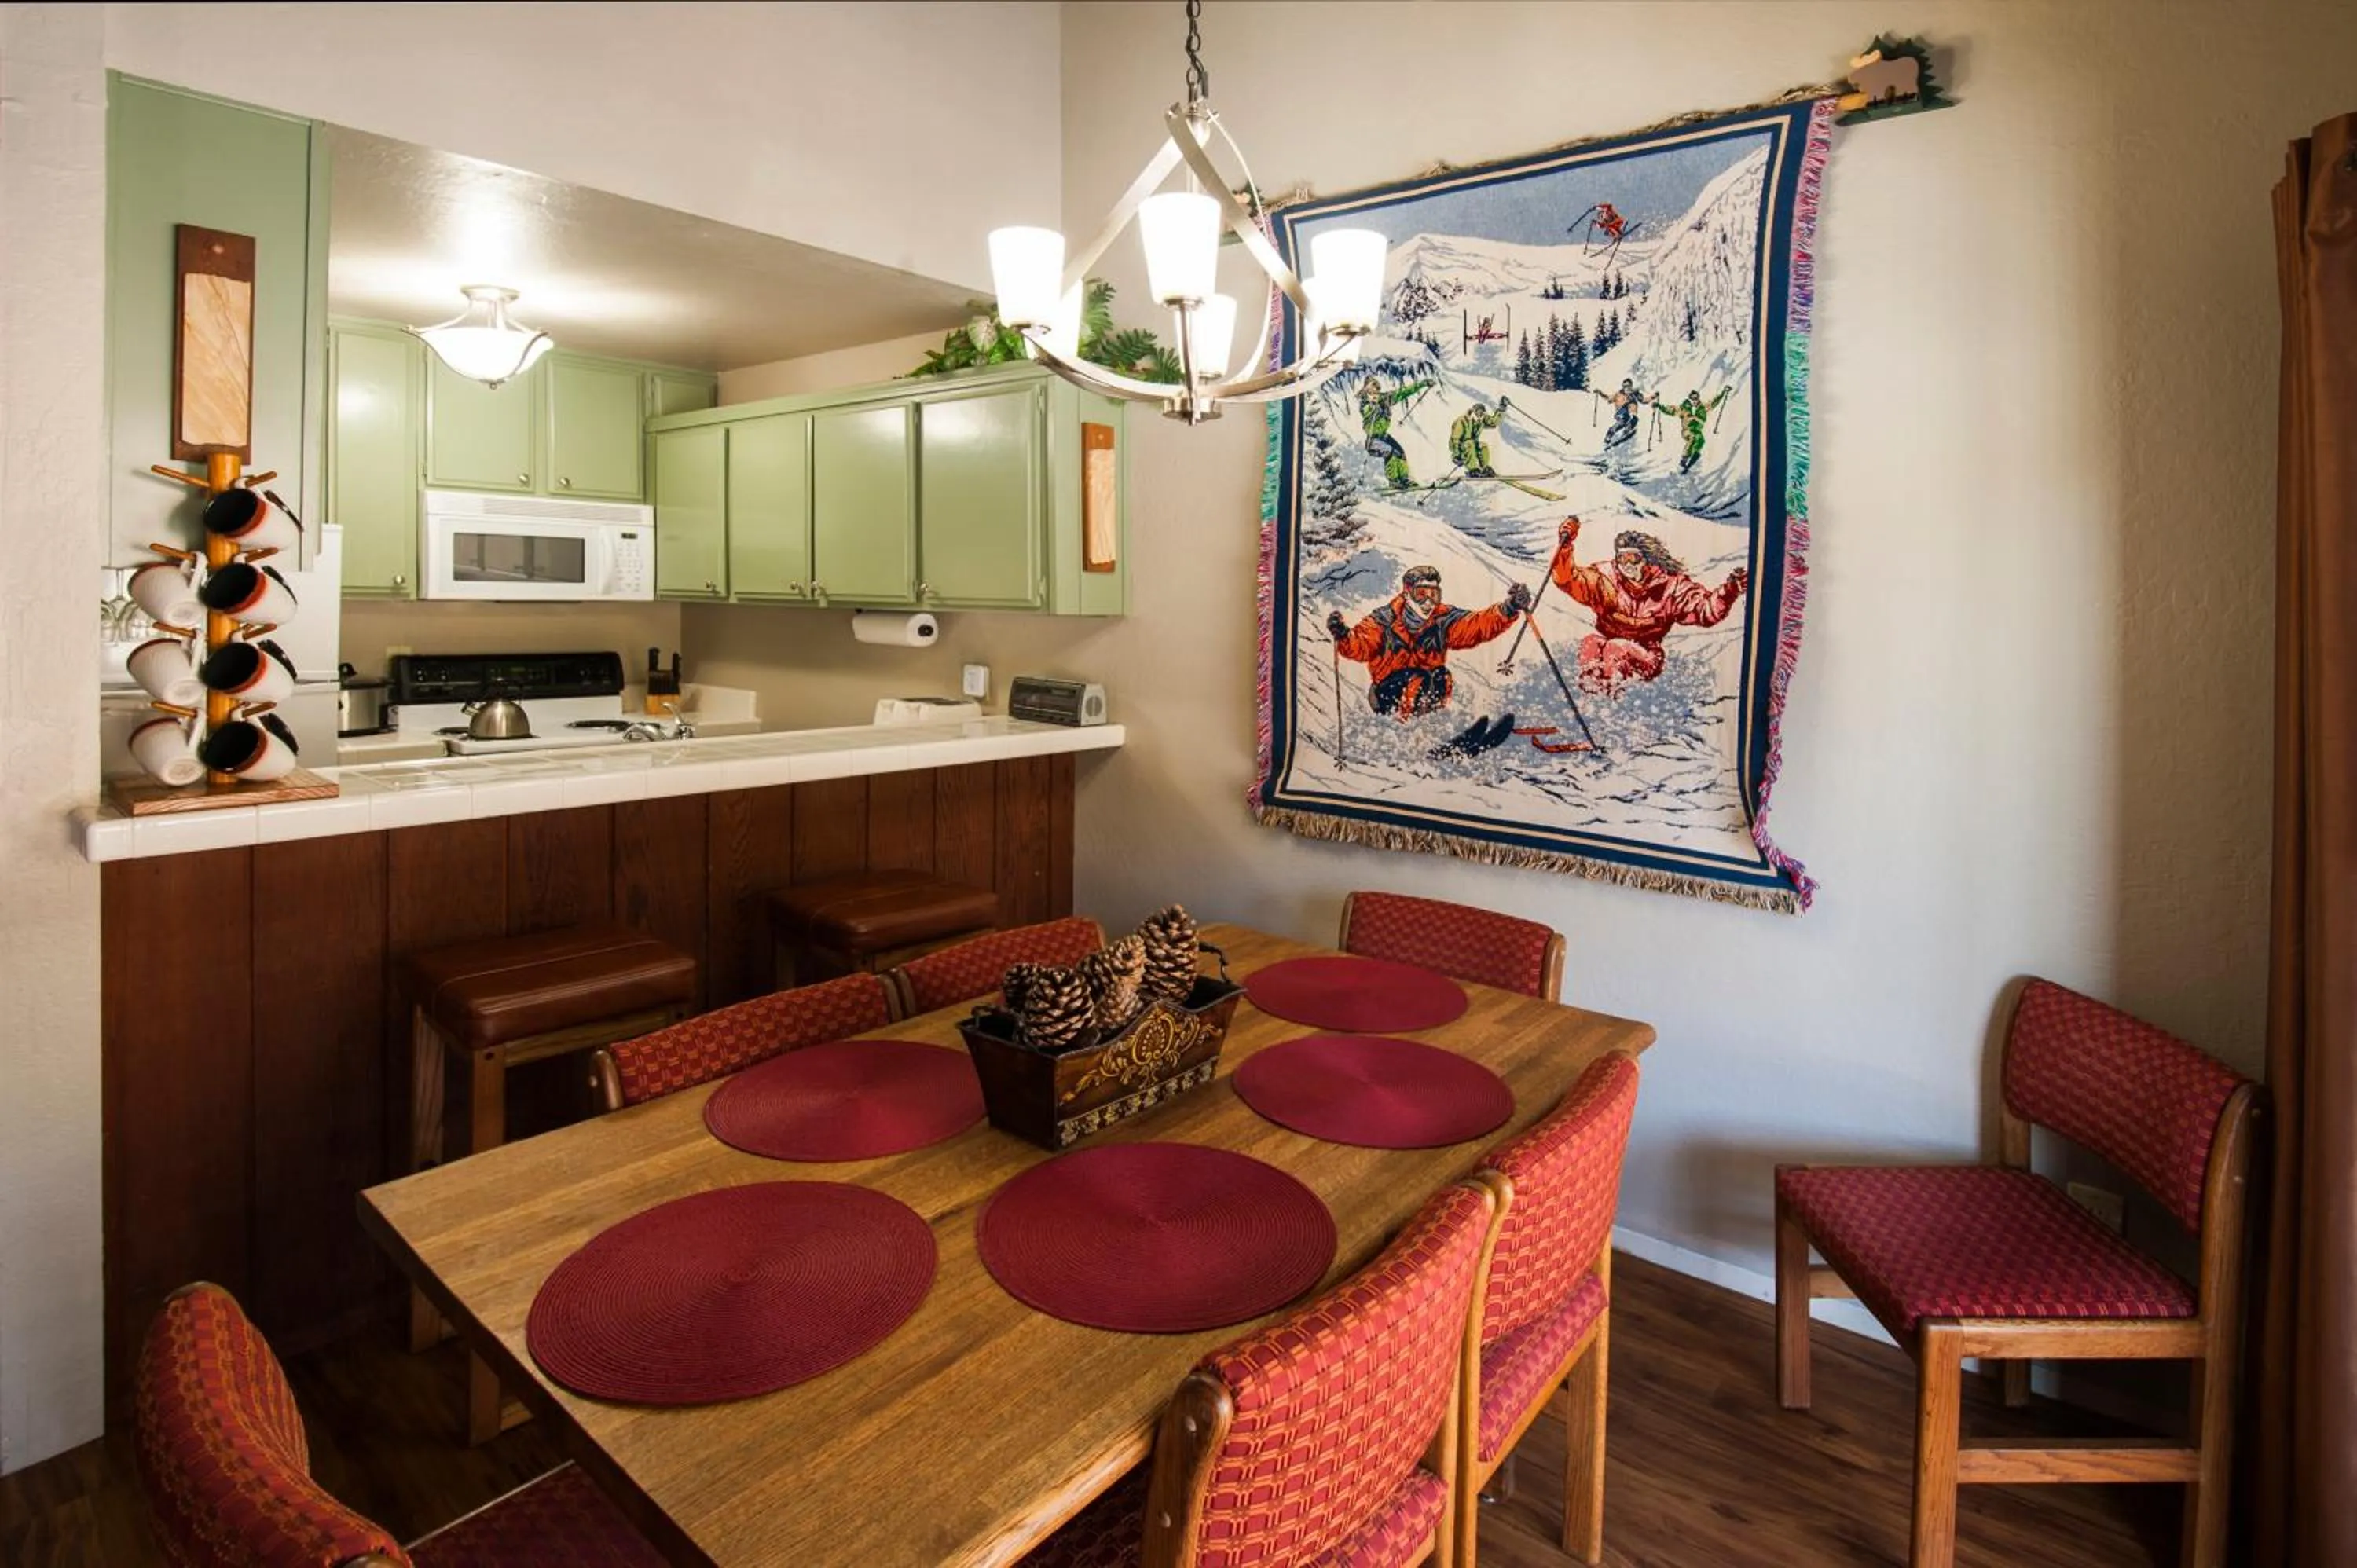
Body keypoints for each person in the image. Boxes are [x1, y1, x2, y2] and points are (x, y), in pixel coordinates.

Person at [1545, 515, 1748, 694]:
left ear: (1648, 560)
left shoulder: (1670, 587)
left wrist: (1729, 591)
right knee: (1591, 643)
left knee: (1616, 648)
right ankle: (1590, 693)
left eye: (1633, 558)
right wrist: (1565, 547)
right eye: (1621, 558)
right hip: (1609, 644)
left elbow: (1705, 611)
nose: (1626, 565)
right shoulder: (1606, 579)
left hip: (1647, 655)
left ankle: (1614, 697)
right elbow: (1569, 580)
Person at [1327, 564, 1530, 717]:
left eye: (1434, 595)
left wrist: (1509, 608)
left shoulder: (1442, 619)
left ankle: (1432, 724)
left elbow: (1476, 625)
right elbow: (1361, 645)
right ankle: (1404, 730)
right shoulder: (1384, 620)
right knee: (1418, 676)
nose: (1428, 602)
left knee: (1441, 676)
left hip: (1422, 690)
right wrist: (1344, 635)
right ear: (1407, 593)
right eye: (1421, 594)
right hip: (1386, 693)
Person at [1355, 375, 1431, 489]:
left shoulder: (1384, 399)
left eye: (1377, 391)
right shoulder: (1364, 403)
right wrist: (1373, 406)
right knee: (1389, 452)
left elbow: (1402, 392)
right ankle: (1394, 480)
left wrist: (1422, 384)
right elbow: (1366, 412)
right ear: (1366, 392)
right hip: (1373, 440)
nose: (1375, 394)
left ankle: (1404, 478)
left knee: (1399, 452)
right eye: (1371, 392)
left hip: (1384, 436)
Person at [1652, 385, 1732, 474]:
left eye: (1696, 399)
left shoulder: (1703, 407)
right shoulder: (1684, 408)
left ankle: (1693, 458)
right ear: (1690, 399)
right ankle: (1684, 459)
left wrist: (1723, 393)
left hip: (1698, 431)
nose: (1694, 401)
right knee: (1694, 437)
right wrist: (1659, 406)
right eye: (1692, 399)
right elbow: (1671, 411)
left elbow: (1714, 402)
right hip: (1687, 431)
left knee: (1701, 440)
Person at [1448, 398, 1508, 477]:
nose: (1480, 414)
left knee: (1483, 446)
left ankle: (1483, 469)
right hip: (1459, 446)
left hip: (1472, 445)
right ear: (1474, 412)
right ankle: (1472, 470)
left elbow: (1493, 422)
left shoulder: (1481, 420)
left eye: (1482, 413)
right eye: (1478, 412)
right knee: (1470, 443)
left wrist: (1502, 409)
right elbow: (1455, 438)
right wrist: (1457, 455)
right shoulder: (1462, 420)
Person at [1596, 378, 1644, 449]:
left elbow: (1642, 399)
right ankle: (1609, 435)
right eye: (1625, 386)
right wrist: (1600, 393)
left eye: (1629, 386)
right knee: (1625, 418)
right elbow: (1608, 398)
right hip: (1620, 412)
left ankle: (1626, 431)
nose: (1627, 388)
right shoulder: (1618, 394)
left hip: (1631, 413)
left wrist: (1638, 395)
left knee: (1634, 419)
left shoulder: (1634, 393)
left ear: (1631, 386)